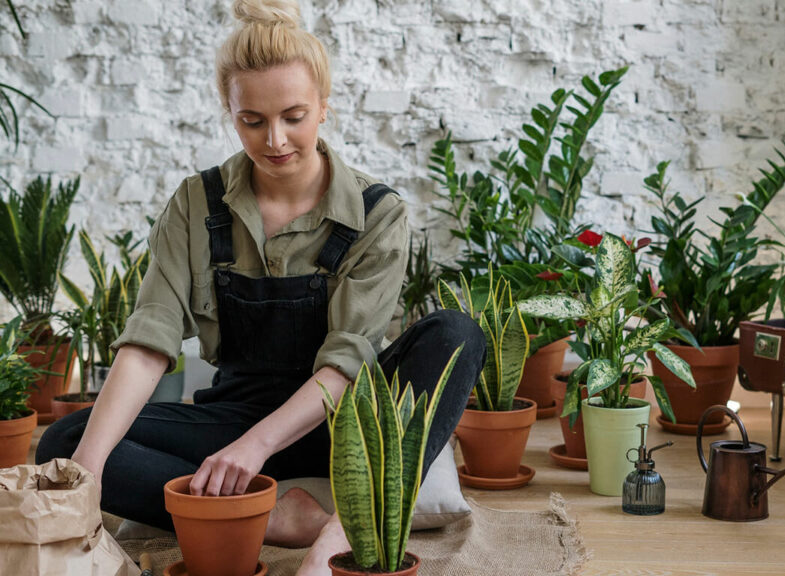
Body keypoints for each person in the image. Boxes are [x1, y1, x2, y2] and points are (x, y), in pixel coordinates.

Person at [35, 1, 484, 574]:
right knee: (67, 444)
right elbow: (149, 343)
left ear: (324, 107)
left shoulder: (376, 213)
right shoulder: (196, 204)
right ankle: (275, 517)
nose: (275, 139)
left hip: (345, 422)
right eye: (253, 120)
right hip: (236, 414)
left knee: (456, 332)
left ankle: (345, 532)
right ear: (229, 111)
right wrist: (88, 478)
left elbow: (345, 366)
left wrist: (256, 449)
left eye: (294, 116)